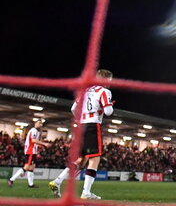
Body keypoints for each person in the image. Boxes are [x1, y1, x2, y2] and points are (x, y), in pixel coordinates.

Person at [50, 70, 115, 199]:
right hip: (92, 126)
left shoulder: (86, 91)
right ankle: (86, 192)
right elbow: (108, 112)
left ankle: (57, 181)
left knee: (81, 160)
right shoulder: (104, 91)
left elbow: (73, 108)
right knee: (95, 158)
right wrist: (110, 105)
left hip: (82, 126)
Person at [9, 120, 44, 188]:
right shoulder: (33, 130)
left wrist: (40, 146)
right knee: (27, 167)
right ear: (35, 124)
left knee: (32, 167)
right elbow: (33, 140)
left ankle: (31, 184)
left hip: (33, 151)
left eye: (41, 123)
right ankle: (11, 180)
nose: (40, 124)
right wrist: (44, 143)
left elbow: (33, 142)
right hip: (30, 151)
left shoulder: (37, 131)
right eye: (39, 123)